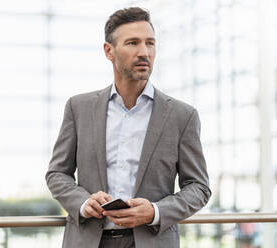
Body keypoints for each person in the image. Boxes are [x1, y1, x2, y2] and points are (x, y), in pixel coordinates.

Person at [46, 7, 211, 248]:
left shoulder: (182, 116)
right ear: (108, 51)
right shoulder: (78, 108)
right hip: (88, 241)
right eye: (133, 43)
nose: (144, 52)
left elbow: (199, 187)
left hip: (151, 241)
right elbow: (57, 173)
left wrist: (154, 211)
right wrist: (83, 203)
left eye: (150, 43)